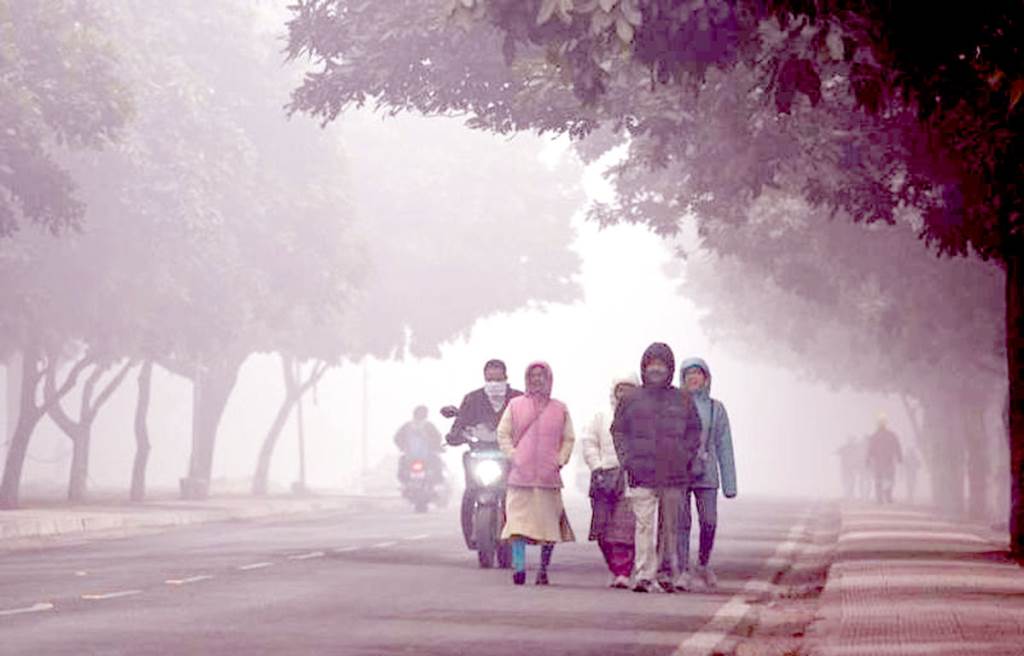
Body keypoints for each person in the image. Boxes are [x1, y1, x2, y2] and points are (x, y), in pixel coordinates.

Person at [612, 343, 702, 593]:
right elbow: (618, 431)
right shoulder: (630, 399)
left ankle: (664, 573)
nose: (656, 369)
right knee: (644, 526)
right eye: (652, 364)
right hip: (640, 473)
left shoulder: (683, 399)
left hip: (674, 475)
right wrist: (627, 459)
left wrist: (684, 456)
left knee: (669, 528)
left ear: (669, 368)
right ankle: (644, 574)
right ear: (644, 367)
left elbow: (694, 432)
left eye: (661, 364)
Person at [497, 362, 576, 585]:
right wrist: (514, 456)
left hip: (548, 479)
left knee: (548, 528)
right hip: (520, 478)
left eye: (541, 375)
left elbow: (568, 438)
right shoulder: (515, 405)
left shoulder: (560, 408)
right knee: (517, 526)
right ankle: (519, 568)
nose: (537, 379)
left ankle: (543, 569)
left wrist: (560, 460)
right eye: (533, 375)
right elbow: (503, 434)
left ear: (548, 378)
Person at [445, 359, 522, 548]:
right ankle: (470, 534)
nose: (494, 383)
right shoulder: (472, 399)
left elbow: (530, 424)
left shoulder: (518, 399)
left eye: (498, 379)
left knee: (519, 494)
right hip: (479, 455)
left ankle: (522, 531)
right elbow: (459, 424)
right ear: (484, 378)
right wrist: (455, 435)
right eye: (490, 379)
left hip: (510, 456)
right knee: (470, 493)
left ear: (506, 377)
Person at [675, 358, 737, 591]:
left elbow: (724, 445)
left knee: (709, 521)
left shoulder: (716, 408)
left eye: (697, 373)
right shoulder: (675, 405)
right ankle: (682, 569)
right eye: (688, 374)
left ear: (706, 378)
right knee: (681, 523)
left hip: (707, 473)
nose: (693, 377)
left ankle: (703, 562)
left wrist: (730, 484)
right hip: (679, 473)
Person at [582, 374, 639, 589]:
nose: (624, 394)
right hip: (603, 477)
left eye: (629, 389)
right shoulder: (601, 416)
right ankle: (614, 568)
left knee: (624, 529)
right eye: (620, 389)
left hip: (630, 478)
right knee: (602, 531)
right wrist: (596, 465)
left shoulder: (642, 418)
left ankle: (624, 571)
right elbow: (589, 442)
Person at [393, 405, 443, 484]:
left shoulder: (407, 426)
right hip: (426, 457)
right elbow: (437, 438)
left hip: (410, 457)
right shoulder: (429, 426)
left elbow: (397, 438)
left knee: (402, 467)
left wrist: (402, 447)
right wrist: (437, 447)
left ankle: (405, 483)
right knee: (437, 467)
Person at [865, 415, 903, 504]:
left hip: (883, 461)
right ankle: (885, 497)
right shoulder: (890, 435)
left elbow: (870, 449)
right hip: (884, 461)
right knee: (886, 479)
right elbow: (897, 446)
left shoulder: (876, 436)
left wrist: (868, 459)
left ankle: (882, 497)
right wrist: (899, 457)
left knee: (883, 479)